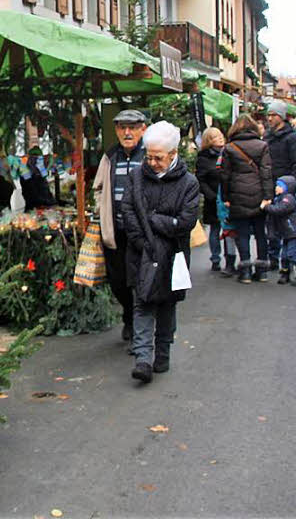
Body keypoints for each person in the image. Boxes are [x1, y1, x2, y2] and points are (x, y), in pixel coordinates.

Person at [119, 121, 200, 384]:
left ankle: (162, 353)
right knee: (142, 303)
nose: (151, 162)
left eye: (158, 157)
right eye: (149, 156)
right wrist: (143, 241)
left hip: (173, 255)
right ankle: (143, 359)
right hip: (141, 252)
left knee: (166, 304)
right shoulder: (136, 176)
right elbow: (128, 211)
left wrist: (154, 220)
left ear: (173, 154)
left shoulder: (189, 183)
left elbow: (186, 222)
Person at [93, 109, 146, 347]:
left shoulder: (149, 153)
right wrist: (101, 211)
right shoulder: (110, 155)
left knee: (140, 279)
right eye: (122, 127)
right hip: (115, 230)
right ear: (116, 130)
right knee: (118, 280)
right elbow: (98, 187)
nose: (127, 132)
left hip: (142, 231)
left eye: (133, 127)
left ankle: (139, 325)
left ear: (142, 129)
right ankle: (128, 315)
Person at [220, 114, 273, 283]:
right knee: (260, 233)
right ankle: (262, 271)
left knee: (242, 234)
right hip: (258, 195)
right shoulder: (262, 145)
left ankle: (245, 272)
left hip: (237, 195)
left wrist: (226, 197)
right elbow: (266, 172)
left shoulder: (230, 147)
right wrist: (267, 196)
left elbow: (225, 175)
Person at [263, 101, 296, 270]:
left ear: (282, 116)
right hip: (269, 185)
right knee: (271, 225)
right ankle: (273, 258)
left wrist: (290, 186)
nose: (270, 118)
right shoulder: (267, 136)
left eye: (274, 115)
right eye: (269, 115)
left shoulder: (291, 137)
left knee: (287, 225)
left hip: (285, 186)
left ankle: (287, 261)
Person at [261, 175, 296, 286]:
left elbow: (279, 210)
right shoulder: (279, 199)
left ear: (287, 188)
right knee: (284, 255)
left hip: (293, 232)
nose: (276, 188)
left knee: (291, 254)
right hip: (286, 232)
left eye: (279, 186)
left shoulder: (288, 199)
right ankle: (285, 273)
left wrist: (266, 207)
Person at [196, 127, 230, 273]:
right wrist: (211, 195)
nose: (221, 138)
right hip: (213, 200)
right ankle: (215, 259)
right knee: (215, 229)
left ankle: (230, 259)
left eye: (221, 135)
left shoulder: (229, 153)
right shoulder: (204, 158)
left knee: (229, 230)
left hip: (228, 199)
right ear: (209, 140)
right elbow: (201, 179)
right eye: (216, 137)